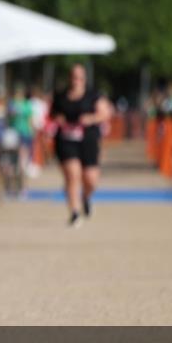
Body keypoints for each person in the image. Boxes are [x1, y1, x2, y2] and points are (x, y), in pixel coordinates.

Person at [49, 64, 113, 228]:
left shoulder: (93, 95)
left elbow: (106, 113)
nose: (76, 80)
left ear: (84, 79)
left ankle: (85, 197)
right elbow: (52, 114)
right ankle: (74, 213)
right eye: (73, 77)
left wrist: (91, 119)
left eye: (79, 77)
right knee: (72, 175)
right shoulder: (60, 96)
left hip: (88, 140)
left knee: (91, 180)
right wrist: (58, 119)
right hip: (66, 140)